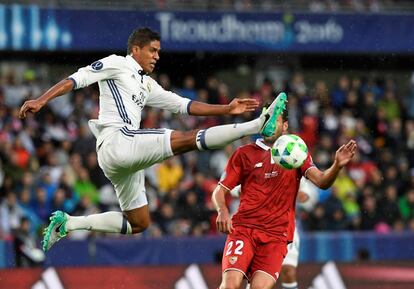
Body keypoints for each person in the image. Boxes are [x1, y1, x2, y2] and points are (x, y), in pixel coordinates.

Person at [18, 27, 288, 252]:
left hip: (123, 159)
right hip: (117, 140)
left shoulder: (146, 84)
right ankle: (257, 125)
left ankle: (68, 224)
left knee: (139, 222)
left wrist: (226, 109)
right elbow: (76, 79)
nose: (157, 56)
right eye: (153, 50)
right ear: (136, 49)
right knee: (186, 139)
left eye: (158, 51)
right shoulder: (117, 63)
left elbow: (183, 105)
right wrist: (42, 100)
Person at [212, 108, 357, 289]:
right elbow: (219, 190)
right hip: (244, 229)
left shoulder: (296, 152)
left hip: (276, 235)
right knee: (230, 286)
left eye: (276, 120)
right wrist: (222, 210)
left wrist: (336, 165)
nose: (270, 125)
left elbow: (321, 181)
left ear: (285, 126)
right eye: (266, 120)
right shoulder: (244, 153)